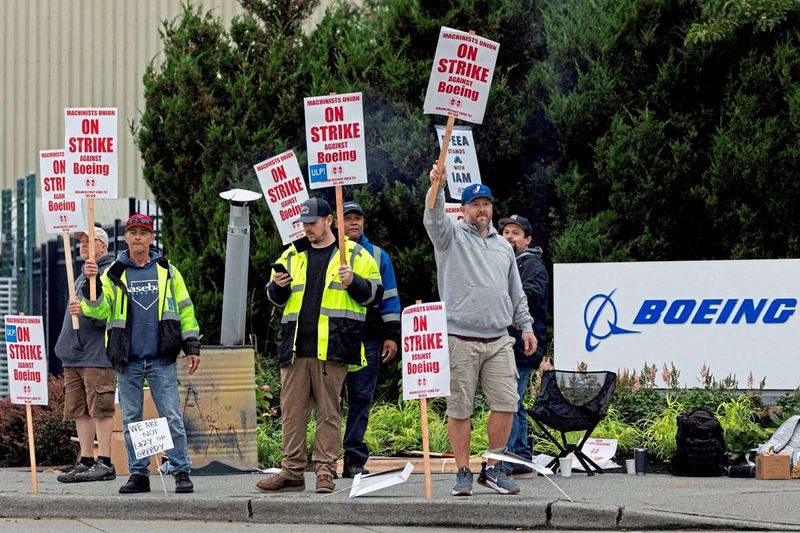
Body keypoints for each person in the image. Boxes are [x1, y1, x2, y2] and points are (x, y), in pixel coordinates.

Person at [423, 168, 537, 497]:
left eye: (486, 204)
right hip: (459, 337)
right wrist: (437, 187)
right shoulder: (449, 237)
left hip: (500, 338)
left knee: (506, 404)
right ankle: (462, 471)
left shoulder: (504, 247)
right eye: (474, 204)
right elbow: (432, 217)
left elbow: (516, 292)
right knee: (460, 408)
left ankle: (493, 468)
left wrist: (526, 326)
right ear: (463, 209)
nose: (481, 210)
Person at [256, 197, 382, 494]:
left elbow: (375, 295)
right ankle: (292, 472)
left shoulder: (354, 254)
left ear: (329, 221)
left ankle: (325, 471)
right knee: (292, 412)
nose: (307, 229)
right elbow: (273, 296)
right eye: (304, 224)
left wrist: (355, 282)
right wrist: (277, 286)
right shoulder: (291, 254)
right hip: (296, 347)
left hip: (334, 345)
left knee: (329, 413)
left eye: (312, 223)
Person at [71, 213, 200, 495]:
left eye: (144, 232)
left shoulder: (168, 270)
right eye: (133, 232)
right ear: (126, 237)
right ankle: (139, 474)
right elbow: (99, 311)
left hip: (160, 357)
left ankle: (181, 471)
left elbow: (185, 309)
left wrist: (191, 345)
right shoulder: (114, 272)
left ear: (152, 238)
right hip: (127, 358)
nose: (138, 236)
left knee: (172, 416)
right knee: (131, 419)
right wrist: (91, 292)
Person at [340, 201, 401, 478]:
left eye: (357, 218)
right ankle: (325, 459)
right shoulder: (328, 251)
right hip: (334, 337)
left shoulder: (378, 255)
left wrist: (391, 335)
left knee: (361, 398)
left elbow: (389, 298)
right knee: (329, 402)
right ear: (336, 223)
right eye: (347, 218)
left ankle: (354, 460)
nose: (353, 223)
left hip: (368, 337)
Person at [55, 226, 117, 483]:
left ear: (103, 247)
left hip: (96, 354)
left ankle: (105, 460)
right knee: (79, 408)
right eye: (81, 242)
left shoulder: (109, 273)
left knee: (99, 408)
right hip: (75, 354)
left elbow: (109, 311)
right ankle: (87, 459)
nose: (83, 246)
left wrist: (87, 307)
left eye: (89, 242)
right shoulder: (81, 275)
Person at [498, 214, 551, 477]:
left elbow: (530, 296)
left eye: (515, 233)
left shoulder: (532, 266)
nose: (509, 237)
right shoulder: (507, 263)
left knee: (511, 401)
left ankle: (510, 459)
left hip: (523, 345)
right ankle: (519, 456)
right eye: (506, 232)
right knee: (514, 402)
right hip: (511, 343)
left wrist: (500, 295)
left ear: (527, 240)